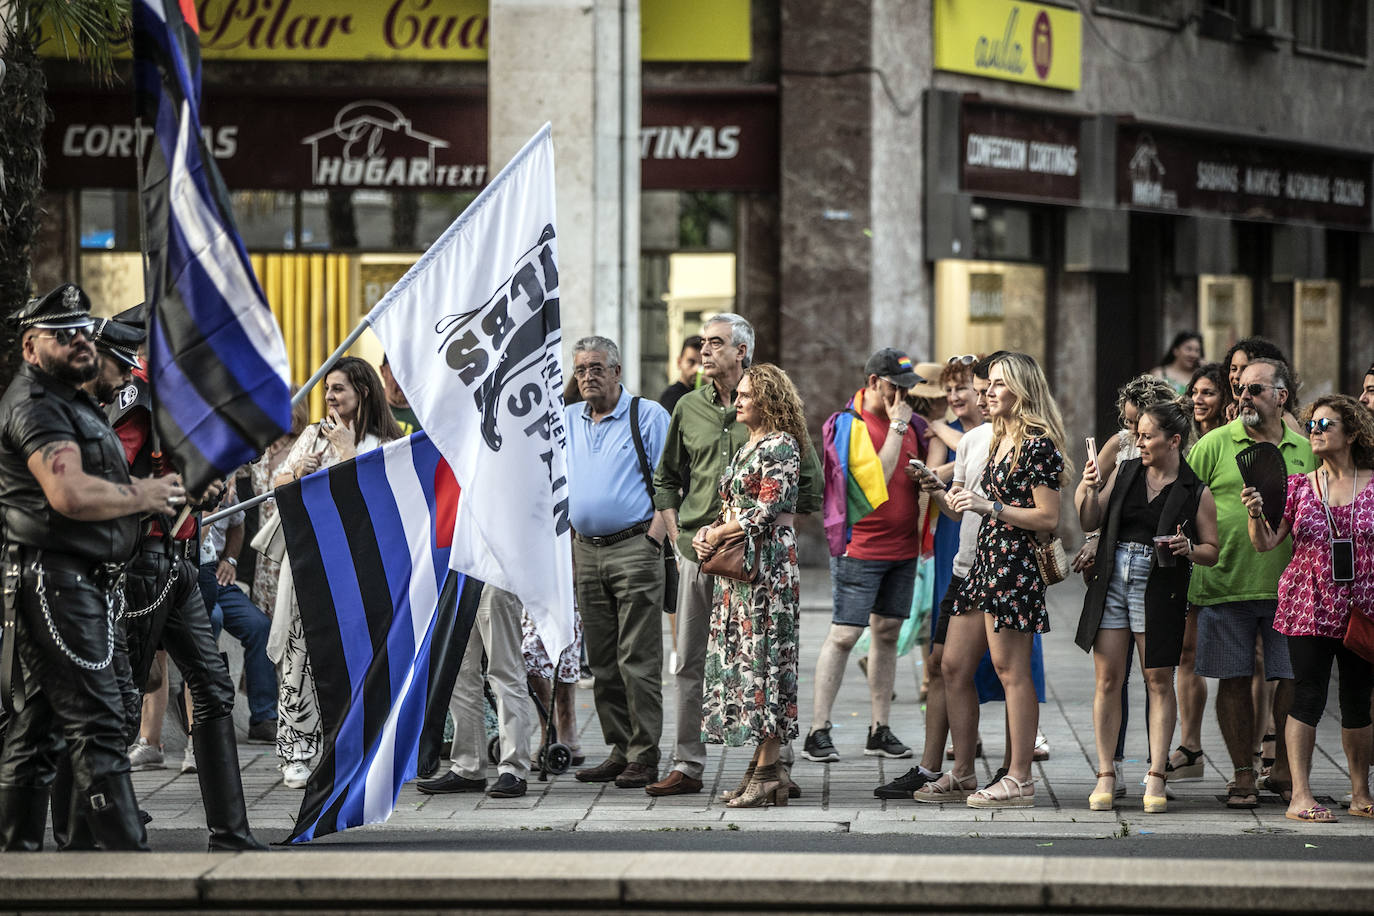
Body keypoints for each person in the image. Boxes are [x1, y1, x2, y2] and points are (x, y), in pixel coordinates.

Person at [0, 285, 180, 851]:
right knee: (101, 721)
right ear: (32, 346)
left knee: (41, 731)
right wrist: (144, 495)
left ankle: (31, 865)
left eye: (83, 330)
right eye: (63, 333)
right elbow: (69, 493)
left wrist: (161, 487)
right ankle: (126, 868)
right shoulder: (36, 404)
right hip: (55, 581)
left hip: (70, 580)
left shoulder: (72, 400)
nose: (80, 340)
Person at [101, 313, 267, 851]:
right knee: (123, 697)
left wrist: (208, 483)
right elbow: (110, 476)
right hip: (140, 559)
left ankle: (230, 831)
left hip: (180, 562)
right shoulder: (140, 399)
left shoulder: (178, 398)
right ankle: (103, 822)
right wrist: (186, 483)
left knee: (214, 687)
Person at [648, 313, 823, 797]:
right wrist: (679, 532)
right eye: (702, 342)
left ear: (742, 350)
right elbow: (666, 478)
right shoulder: (687, 407)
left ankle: (773, 765)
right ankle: (689, 764)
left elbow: (805, 488)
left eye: (715, 342)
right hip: (699, 554)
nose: (704, 350)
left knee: (762, 657)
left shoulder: (776, 425)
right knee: (694, 660)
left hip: (757, 559)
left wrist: (770, 534)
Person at [1076, 398, 1220, 813]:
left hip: (1159, 585)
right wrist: (1088, 487)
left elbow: (1212, 550)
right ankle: (1106, 772)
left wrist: (1188, 547)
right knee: (1107, 678)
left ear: (1173, 440)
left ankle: (1156, 774)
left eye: (1146, 436)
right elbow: (1089, 521)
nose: (1138, 442)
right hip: (1114, 576)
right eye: (1137, 435)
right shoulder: (1124, 473)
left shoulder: (1195, 490)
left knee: (1158, 678)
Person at [939, 352, 1067, 809]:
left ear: (1020, 390)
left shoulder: (1037, 444)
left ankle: (1019, 778)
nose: (986, 393)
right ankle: (962, 771)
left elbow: (1048, 517)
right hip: (984, 562)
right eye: (987, 385)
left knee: (1011, 670)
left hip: (1013, 565)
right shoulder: (998, 439)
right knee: (953, 665)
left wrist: (988, 506)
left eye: (996, 385)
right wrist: (961, 497)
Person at [1187, 357, 1316, 809]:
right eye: (1240, 388)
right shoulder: (1214, 445)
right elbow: (1181, 497)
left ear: (1281, 396)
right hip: (1225, 581)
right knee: (1234, 680)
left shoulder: (1306, 448)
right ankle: (1243, 774)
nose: (1244, 396)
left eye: (1256, 389)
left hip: (1292, 589)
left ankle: (1281, 767)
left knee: (1292, 678)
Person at [1242, 394, 1374, 822]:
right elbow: (1265, 543)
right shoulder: (1298, 486)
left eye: (1325, 425)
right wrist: (1255, 514)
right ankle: (1301, 796)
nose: (1314, 432)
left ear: (1352, 433)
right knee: (1308, 695)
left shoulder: (1373, 484)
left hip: (1362, 608)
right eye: (1312, 425)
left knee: (1357, 699)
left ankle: (1360, 794)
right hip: (1308, 606)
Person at [272, 356, 402, 789]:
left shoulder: (388, 441)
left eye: (339, 388)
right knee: (300, 654)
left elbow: (382, 501)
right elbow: (277, 485)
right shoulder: (311, 435)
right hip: (312, 559)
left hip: (360, 566)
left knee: (354, 655)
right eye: (327, 389)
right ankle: (296, 752)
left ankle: (350, 746)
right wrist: (295, 471)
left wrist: (347, 452)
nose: (329, 397)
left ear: (362, 392)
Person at [807, 349, 929, 765]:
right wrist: (897, 427)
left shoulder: (914, 424)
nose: (904, 396)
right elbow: (873, 482)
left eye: (908, 388)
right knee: (844, 635)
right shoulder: (849, 424)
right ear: (875, 381)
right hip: (860, 548)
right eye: (897, 386)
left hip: (902, 548)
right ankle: (817, 730)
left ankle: (879, 729)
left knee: (888, 633)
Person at [561, 335, 670, 790]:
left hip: (634, 547)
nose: (588, 376)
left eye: (597, 368)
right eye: (581, 369)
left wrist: (654, 540)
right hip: (585, 549)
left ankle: (644, 755)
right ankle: (619, 748)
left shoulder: (647, 415)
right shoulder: (566, 418)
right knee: (602, 660)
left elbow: (669, 481)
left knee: (637, 658)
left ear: (617, 371)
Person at [696, 363, 806, 808]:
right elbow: (733, 508)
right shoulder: (749, 445)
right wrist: (707, 533)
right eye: (737, 395)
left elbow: (762, 510)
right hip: (740, 572)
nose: (737, 400)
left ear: (767, 400)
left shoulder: (781, 444)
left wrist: (717, 535)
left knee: (767, 664)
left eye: (744, 395)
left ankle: (766, 773)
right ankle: (765, 769)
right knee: (749, 663)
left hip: (769, 569)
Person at [1168, 361, 1227, 782]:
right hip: (1191, 558)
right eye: (1194, 392)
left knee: (1253, 663)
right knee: (1186, 654)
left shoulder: (1230, 442)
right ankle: (1190, 747)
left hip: (1231, 560)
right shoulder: (1184, 441)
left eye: (1208, 392)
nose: (1198, 400)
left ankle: (1266, 746)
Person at [197, 484, 276, 745]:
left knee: (259, 625)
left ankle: (263, 718)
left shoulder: (228, 488)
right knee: (213, 618)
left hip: (218, 577)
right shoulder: (194, 484)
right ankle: (206, 708)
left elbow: (238, 525)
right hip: (191, 575)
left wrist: (230, 560)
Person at [659, 335, 704, 414]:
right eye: (691, 362)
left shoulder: (709, 394)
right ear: (679, 362)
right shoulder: (671, 397)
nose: (697, 369)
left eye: (702, 363)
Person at [379, 355, 421, 435]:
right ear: (382, 371)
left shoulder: (427, 411)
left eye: (408, 373)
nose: (402, 380)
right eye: (395, 373)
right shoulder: (369, 410)